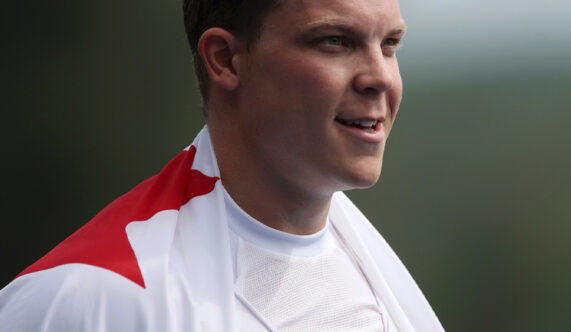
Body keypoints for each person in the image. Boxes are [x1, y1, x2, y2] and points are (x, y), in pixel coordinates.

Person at [0, 0, 443, 330]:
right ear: (225, 60)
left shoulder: (381, 281)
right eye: (334, 41)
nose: (381, 77)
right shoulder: (86, 299)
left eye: (389, 44)